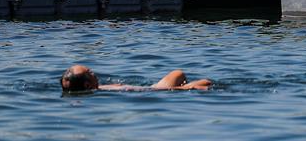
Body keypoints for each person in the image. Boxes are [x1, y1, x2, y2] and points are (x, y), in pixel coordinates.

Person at [60, 65, 212, 93]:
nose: (94, 72)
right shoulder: (107, 91)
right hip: (156, 90)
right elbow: (144, 91)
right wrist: (185, 89)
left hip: (153, 88)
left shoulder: (99, 89)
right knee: (206, 82)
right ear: (87, 85)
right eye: (90, 72)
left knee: (178, 74)